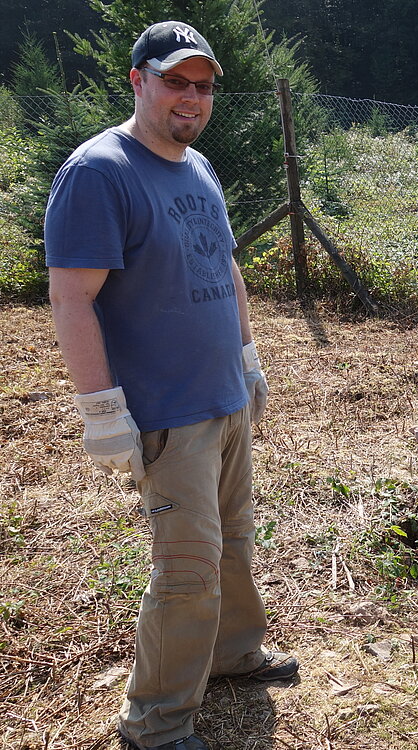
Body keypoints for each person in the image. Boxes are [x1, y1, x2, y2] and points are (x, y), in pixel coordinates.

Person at [45, 21, 297, 750]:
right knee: (186, 572)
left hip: (223, 398)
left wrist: (248, 358)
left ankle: (231, 656)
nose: (191, 97)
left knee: (235, 545)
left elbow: (227, 264)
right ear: (138, 81)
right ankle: (154, 723)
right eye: (175, 81)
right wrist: (100, 408)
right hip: (166, 414)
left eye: (203, 85)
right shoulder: (100, 172)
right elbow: (72, 298)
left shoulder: (199, 167)